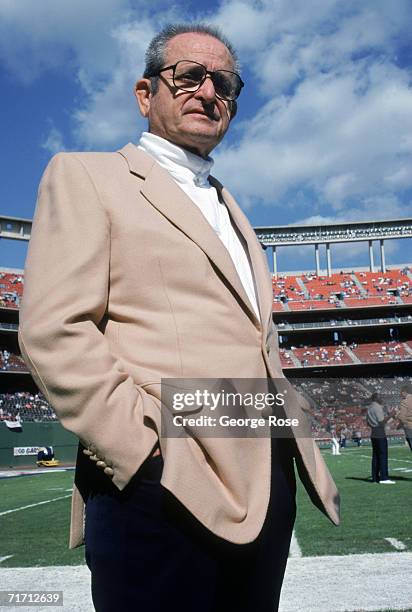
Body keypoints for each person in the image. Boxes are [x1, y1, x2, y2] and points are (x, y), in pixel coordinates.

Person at [18, 23, 339, 612]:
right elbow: (54, 328)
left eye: (225, 83)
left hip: (265, 473)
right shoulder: (88, 175)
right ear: (147, 94)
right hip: (162, 480)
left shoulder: (229, 204)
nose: (209, 91)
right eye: (189, 76)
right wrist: (144, 452)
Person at [366, 393, 395, 484]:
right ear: (376, 398)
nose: (382, 399)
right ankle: (384, 478)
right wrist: (391, 414)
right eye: (380, 397)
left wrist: (391, 418)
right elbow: (382, 422)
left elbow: (369, 422)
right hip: (380, 434)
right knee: (383, 456)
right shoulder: (377, 407)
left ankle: (375, 478)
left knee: (375, 457)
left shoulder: (370, 407)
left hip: (373, 433)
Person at [397, 383, 412, 451]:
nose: (401, 394)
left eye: (401, 392)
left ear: (404, 392)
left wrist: (401, 424)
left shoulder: (404, 401)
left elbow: (402, 417)